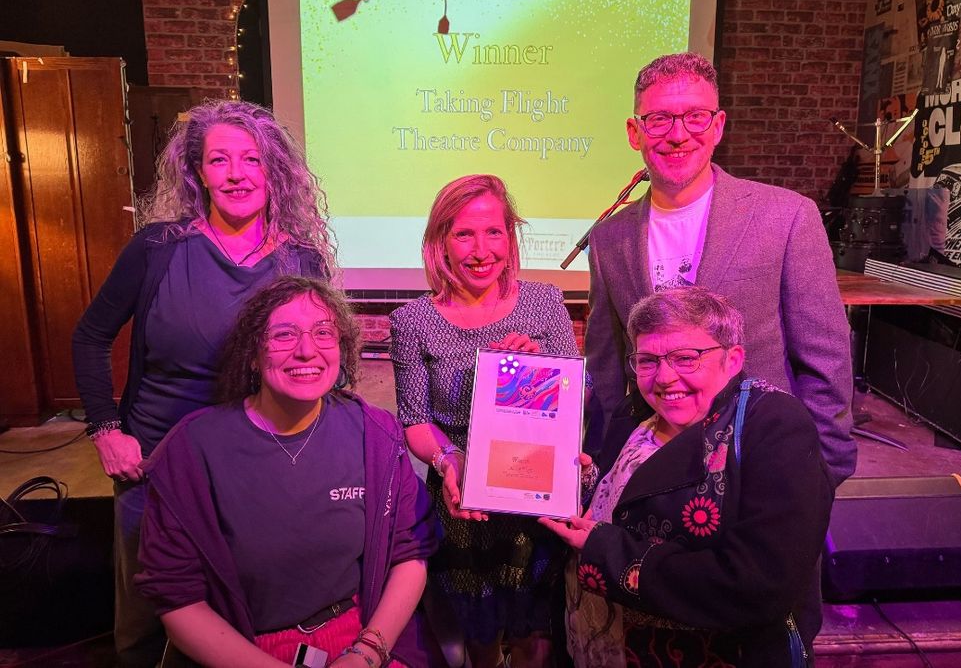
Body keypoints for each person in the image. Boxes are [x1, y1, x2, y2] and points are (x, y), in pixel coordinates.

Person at [72, 100, 335, 666]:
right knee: (145, 620)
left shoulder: (301, 262)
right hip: (154, 468)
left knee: (241, 615)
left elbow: (316, 365)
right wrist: (106, 430)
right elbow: (90, 336)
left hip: (257, 467)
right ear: (198, 173)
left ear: (274, 170)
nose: (237, 174)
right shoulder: (158, 249)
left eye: (251, 159)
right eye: (219, 160)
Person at [584, 52, 856, 491]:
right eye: (659, 120)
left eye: (695, 117)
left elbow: (826, 359)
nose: (678, 135)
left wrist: (822, 468)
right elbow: (608, 369)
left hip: (762, 466)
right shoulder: (608, 239)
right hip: (656, 475)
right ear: (635, 132)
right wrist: (604, 463)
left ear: (718, 126)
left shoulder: (787, 217)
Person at [135, 276, 438, 667]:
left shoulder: (375, 434)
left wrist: (367, 653)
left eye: (323, 332)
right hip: (244, 650)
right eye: (283, 335)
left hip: (363, 637)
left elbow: (409, 554)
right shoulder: (191, 450)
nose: (307, 351)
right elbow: (178, 599)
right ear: (252, 354)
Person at [542, 287, 834, 668]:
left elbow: (758, 583)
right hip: (593, 646)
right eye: (648, 360)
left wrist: (608, 552)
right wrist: (583, 483)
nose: (664, 377)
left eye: (686, 358)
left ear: (733, 359)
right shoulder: (634, 413)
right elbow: (620, 501)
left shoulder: (772, 425)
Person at [389, 174, 581, 668]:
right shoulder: (412, 321)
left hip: (534, 490)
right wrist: (449, 459)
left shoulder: (543, 303)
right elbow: (415, 421)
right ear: (441, 242)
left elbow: (573, 403)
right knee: (479, 634)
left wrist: (539, 371)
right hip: (462, 495)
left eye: (493, 232)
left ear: (510, 235)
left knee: (534, 631)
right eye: (464, 234)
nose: (481, 251)